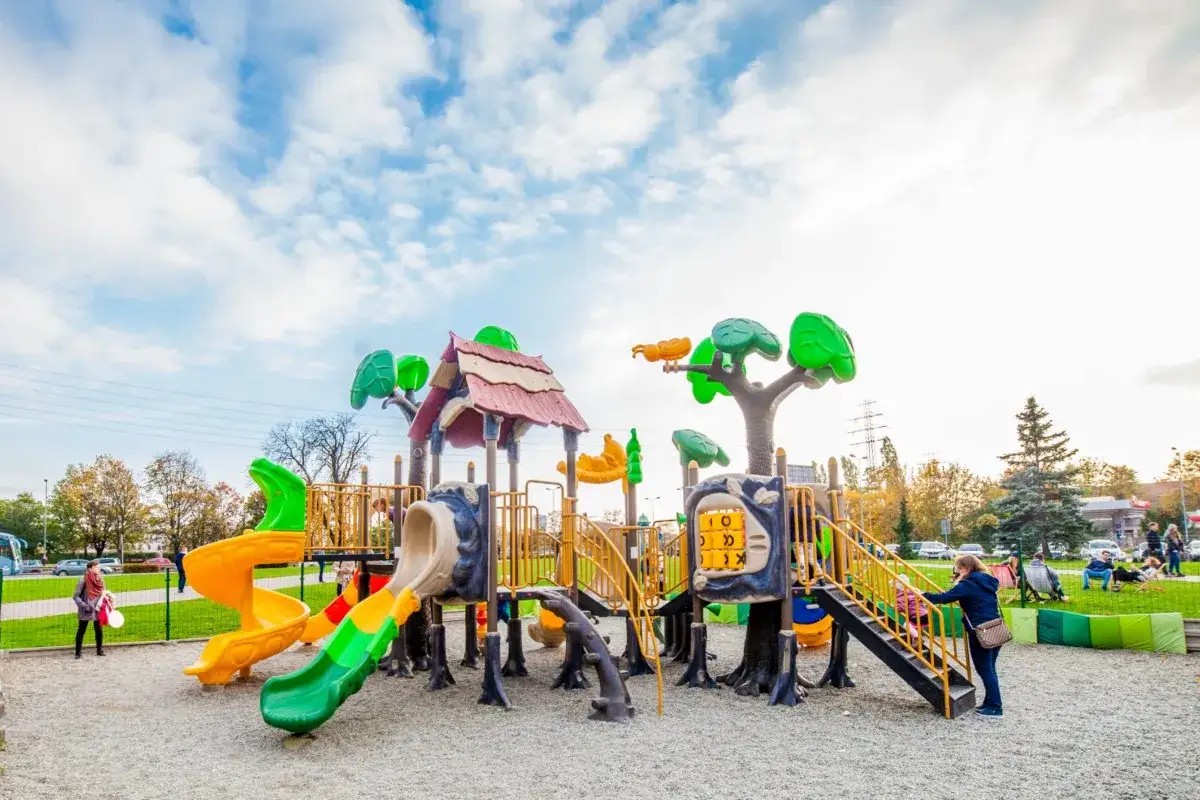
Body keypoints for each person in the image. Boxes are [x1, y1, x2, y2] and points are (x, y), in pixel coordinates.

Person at [922, 554, 1004, 718]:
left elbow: (944, 598)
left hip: (979, 630)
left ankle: (995, 707)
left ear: (965, 568)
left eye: (958, 568)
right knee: (990, 668)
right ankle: (990, 702)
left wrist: (923, 595)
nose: (956, 571)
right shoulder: (986, 581)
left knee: (984, 669)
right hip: (995, 627)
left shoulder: (968, 584)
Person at [73, 560, 107, 659]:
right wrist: (84, 606)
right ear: (89, 569)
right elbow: (75, 596)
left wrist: (107, 599)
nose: (98, 569)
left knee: (99, 630)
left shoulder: (100, 580)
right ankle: (78, 653)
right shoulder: (83, 580)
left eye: (99, 567)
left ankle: (99, 650)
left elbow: (103, 593)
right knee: (81, 630)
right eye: (96, 567)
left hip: (97, 609)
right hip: (86, 609)